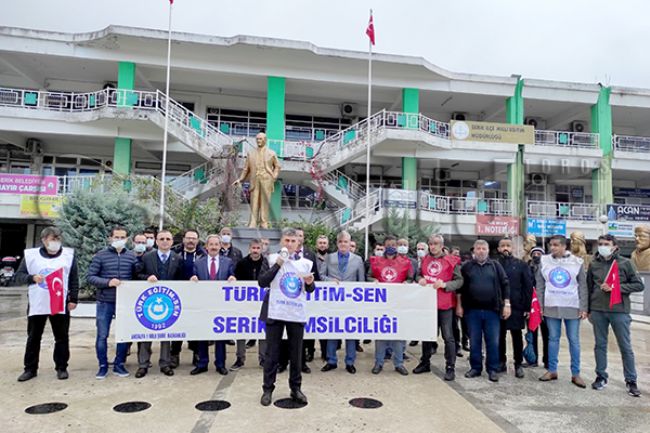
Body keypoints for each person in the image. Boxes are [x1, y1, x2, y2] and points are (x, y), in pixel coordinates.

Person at [258, 227, 316, 406]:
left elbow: (311, 289)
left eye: (293, 241)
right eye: (287, 241)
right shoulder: (270, 259)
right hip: (275, 311)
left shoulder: (306, 263)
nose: (290, 244)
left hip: (295, 312)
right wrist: (279, 264)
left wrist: (310, 283)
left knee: (296, 353)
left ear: (298, 243)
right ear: (282, 241)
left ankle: (296, 389)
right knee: (272, 353)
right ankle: (268, 389)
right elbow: (262, 282)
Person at [15, 226, 79, 382]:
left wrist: (73, 299)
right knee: (34, 337)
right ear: (44, 240)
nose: (56, 242)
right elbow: (19, 276)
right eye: (52, 239)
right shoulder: (31, 256)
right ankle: (30, 369)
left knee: (62, 337)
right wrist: (32, 278)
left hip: (59, 302)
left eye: (58, 239)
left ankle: (61, 367)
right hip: (38, 303)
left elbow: (73, 279)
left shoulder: (68, 256)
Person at [587, 234, 644, 397]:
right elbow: (589, 286)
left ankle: (631, 380)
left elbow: (639, 285)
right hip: (598, 310)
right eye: (600, 244)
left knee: (625, 346)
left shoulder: (625, 263)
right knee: (600, 345)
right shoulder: (594, 264)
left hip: (619, 311)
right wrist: (589, 309)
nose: (602, 246)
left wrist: (616, 288)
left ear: (614, 246)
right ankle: (601, 376)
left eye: (606, 244)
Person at [87, 226, 139, 379]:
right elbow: (91, 277)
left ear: (127, 239)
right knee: (102, 335)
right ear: (110, 238)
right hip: (105, 301)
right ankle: (102, 365)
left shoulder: (131, 256)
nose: (119, 240)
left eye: (122, 237)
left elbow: (137, 276)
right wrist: (108, 282)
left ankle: (119, 364)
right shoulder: (100, 256)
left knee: (123, 335)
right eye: (116, 237)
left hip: (125, 303)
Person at [536, 235, 588, 388]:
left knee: (574, 340)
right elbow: (540, 284)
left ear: (564, 246)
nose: (553, 248)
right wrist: (540, 305)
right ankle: (552, 370)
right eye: (551, 245)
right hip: (551, 306)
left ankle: (576, 373)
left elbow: (582, 286)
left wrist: (583, 307)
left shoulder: (577, 262)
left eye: (556, 245)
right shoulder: (544, 261)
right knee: (553, 339)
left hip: (572, 306)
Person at [457, 239, 510, 382]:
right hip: (472, 311)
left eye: (483, 249)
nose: (480, 251)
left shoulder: (495, 266)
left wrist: (507, 304)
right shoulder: (467, 267)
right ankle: (475, 368)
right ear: (474, 250)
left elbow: (505, 284)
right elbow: (460, 289)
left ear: (488, 251)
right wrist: (459, 305)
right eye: (478, 248)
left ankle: (492, 369)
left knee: (493, 341)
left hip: (492, 311)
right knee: (474, 341)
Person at [413, 234, 463, 381]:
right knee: (427, 335)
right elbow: (417, 275)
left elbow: (459, 281)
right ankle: (425, 362)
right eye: (431, 244)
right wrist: (420, 279)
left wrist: (446, 285)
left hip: (445, 304)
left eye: (435, 244)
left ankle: (450, 367)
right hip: (428, 304)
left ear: (441, 245)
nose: (433, 246)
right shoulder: (425, 260)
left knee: (448, 337)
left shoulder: (451, 261)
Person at [135, 229, 184, 378]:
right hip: (149, 301)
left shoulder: (177, 258)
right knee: (147, 331)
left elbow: (181, 279)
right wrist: (146, 278)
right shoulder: (147, 257)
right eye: (161, 239)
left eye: (167, 239)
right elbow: (137, 275)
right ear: (156, 241)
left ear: (171, 242)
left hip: (169, 302)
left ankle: (165, 363)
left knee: (166, 332)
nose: (164, 241)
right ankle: (143, 364)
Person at [190, 234, 236, 375]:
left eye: (217, 244)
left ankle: (220, 364)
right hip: (203, 305)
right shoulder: (198, 263)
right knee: (203, 334)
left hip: (221, 304)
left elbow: (231, 275)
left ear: (220, 246)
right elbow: (193, 278)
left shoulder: (228, 262)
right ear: (206, 246)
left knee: (220, 336)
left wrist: (233, 277)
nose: (214, 247)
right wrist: (193, 278)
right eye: (211, 244)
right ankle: (202, 363)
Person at [367, 235, 413, 376]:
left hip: (399, 303)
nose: (391, 247)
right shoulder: (376, 261)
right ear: (384, 246)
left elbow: (411, 278)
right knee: (381, 334)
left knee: (399, 334)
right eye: (388, 244)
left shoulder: (406, 262)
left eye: (394, 244)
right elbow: (368, 276)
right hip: (382, 303)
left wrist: (408, 282)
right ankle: (378, 363)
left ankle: (399, 363)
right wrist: (373, 280)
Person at [320, 230, 365, 374]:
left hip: (351, 302)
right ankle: (331, 360)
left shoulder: (357, 259)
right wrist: (330, 281)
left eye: (346, 241)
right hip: (333, 301)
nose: (343, 244)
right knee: (332, 331)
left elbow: (361, 281)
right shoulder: (329, 258)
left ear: (349, 242)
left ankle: (350, 362)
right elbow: (321, 275)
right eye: (341, 242)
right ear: (337, 243)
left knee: (351, 333)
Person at [496, 237, 534, 378]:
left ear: (512, 248)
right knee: (499, 336)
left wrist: (527, 307)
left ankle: (518, 363)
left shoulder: (521, 265)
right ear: (498, 248)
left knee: (516, 336)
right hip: (498, 306)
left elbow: (527, 287)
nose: (505, 248)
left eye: (508, 246)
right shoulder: (494, 264)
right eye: (502, 245)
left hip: (517, 306)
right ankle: (501, 361)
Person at [171, 228, 206, 367]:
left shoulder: (204, 255)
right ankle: (174, 354)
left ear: (197, 240)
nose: (191, 241)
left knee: (195, 326)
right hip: (178, 296)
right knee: (178, 326)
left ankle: (196, 353)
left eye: (194, 238)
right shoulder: (175, 254)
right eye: (188, 238)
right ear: (184, 239)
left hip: (198, 297)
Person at [233, 238, 270, 370]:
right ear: (249, 249)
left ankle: (263, 359)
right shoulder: (242, 263)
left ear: (262, 249)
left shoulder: (267, 263)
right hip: (244, 303)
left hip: (262, 302)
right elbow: (235, 279)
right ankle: (240, 359)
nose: (255, 251)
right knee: (241, 330)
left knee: (262, 330)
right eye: (253, 248)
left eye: (258, 248)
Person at [233, 131, 282, 228]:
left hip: (266, 180)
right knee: (254, 201)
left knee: (265, 202)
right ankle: (253, 222)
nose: (258, 141)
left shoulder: (271, 153)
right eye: (257, 139)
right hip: (254, 180)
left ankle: (264, 222)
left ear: (265, 140)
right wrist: (240, 179)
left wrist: (274, 176)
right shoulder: (251, 153)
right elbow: (246, 169)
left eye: (260, 139)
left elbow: (277, 166)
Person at [293, 226, 321, 369]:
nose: (298, 238)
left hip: (305, 297)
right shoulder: (285, 254)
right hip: (289, 298)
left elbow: (316, 275)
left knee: (301, 333)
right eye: (296, 235)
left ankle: (302, 363)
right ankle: (284, 362)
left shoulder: (310, 254)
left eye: (301, 236)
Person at [525, 246, 548, 369]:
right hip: (531, 305)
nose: (537, 255)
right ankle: (532, 359)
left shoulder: (547, 268)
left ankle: (548, 360)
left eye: (539, 253)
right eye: (535, 253)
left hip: (545, 305)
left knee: (547, 335)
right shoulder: (527, 267)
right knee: (531, 333)